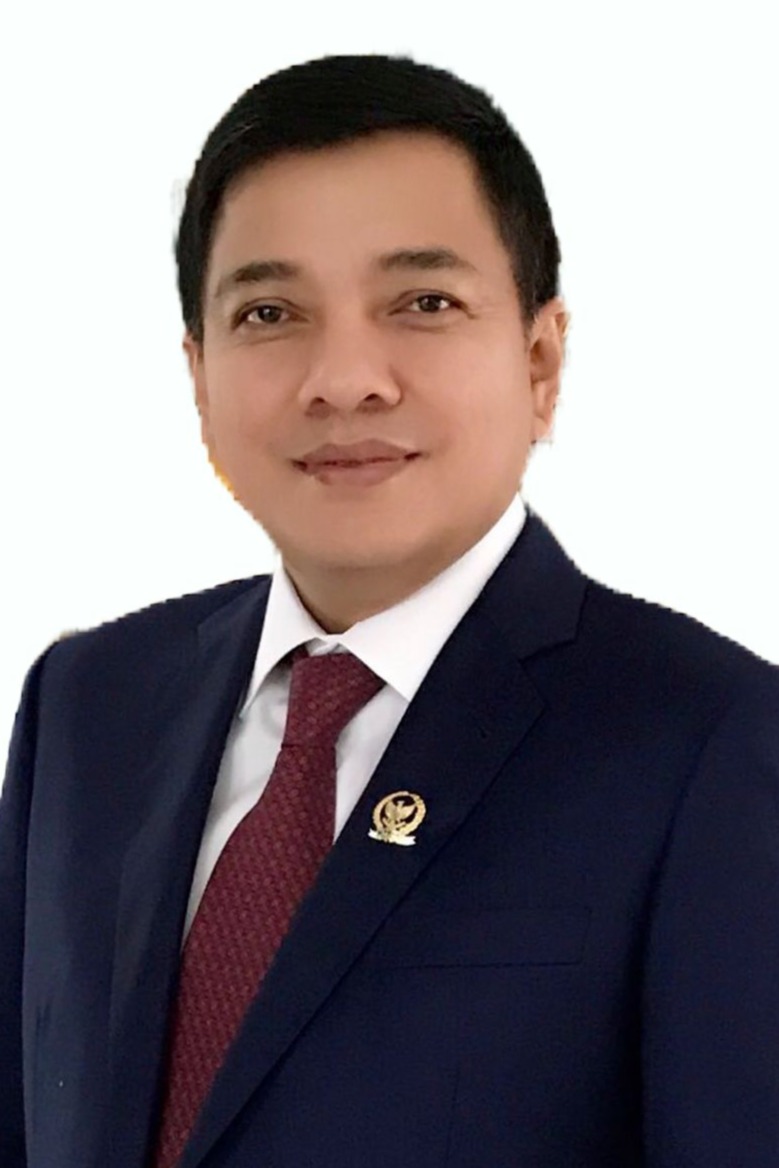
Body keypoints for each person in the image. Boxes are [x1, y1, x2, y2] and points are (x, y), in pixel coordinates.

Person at [2, 51, 778, 1168]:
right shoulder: (87, 704)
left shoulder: (706, 738)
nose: (344, 378)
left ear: (539, 360)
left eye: (422, 303)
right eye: (270, 311)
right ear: (199, 375)